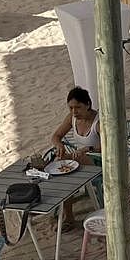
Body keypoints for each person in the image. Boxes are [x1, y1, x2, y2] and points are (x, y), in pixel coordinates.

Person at [48, 87, 100, 226]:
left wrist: (87, 148)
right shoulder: (72, 118)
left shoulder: (98, 122)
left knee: (65, 166)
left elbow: (109, 146)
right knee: (60, 164)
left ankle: (68, 215)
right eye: (70, 108)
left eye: (78, 107)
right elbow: (55, 136)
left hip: (100, 159)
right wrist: (59, 145)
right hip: (81, 157)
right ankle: (67, 212)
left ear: (88, 104)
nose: (74, 111)